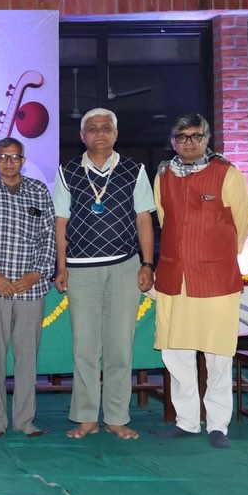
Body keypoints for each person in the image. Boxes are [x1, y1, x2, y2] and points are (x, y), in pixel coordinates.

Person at [53, 108, 155, 440]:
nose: (99, 133)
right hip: (81, 270)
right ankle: (85, 417)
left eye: (106, 128)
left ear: (115, 134)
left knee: (119, 348)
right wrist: (61, 266)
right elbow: (61, 223)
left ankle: (116, 417)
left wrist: (147, 263)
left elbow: (143, 219)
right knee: (85, 347)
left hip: (125, 266)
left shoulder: (134, 170)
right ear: (82, 136)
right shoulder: (67, 172)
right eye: (92, 129)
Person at [153, 114, 248, 449]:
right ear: (173, 141)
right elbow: (165, 220)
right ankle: (186, 421)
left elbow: (243, 222)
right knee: (176, 352)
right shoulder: (163, 174)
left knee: (218, 355)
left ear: (208, 139)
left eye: (196, 136)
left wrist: (215, 255)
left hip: (216, 280)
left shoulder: (227, 173)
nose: (189, 142)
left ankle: (218, 425)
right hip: (174, 278)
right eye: (182, 137)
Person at [0, 137, 56, 438]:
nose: (8, 162)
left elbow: (50, 236)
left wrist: (37, 274)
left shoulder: (39, 191)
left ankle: (24, 420)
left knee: (26, 357)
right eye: (2, 157)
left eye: (14, 157)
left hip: (31, 288)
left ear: (23, 160)